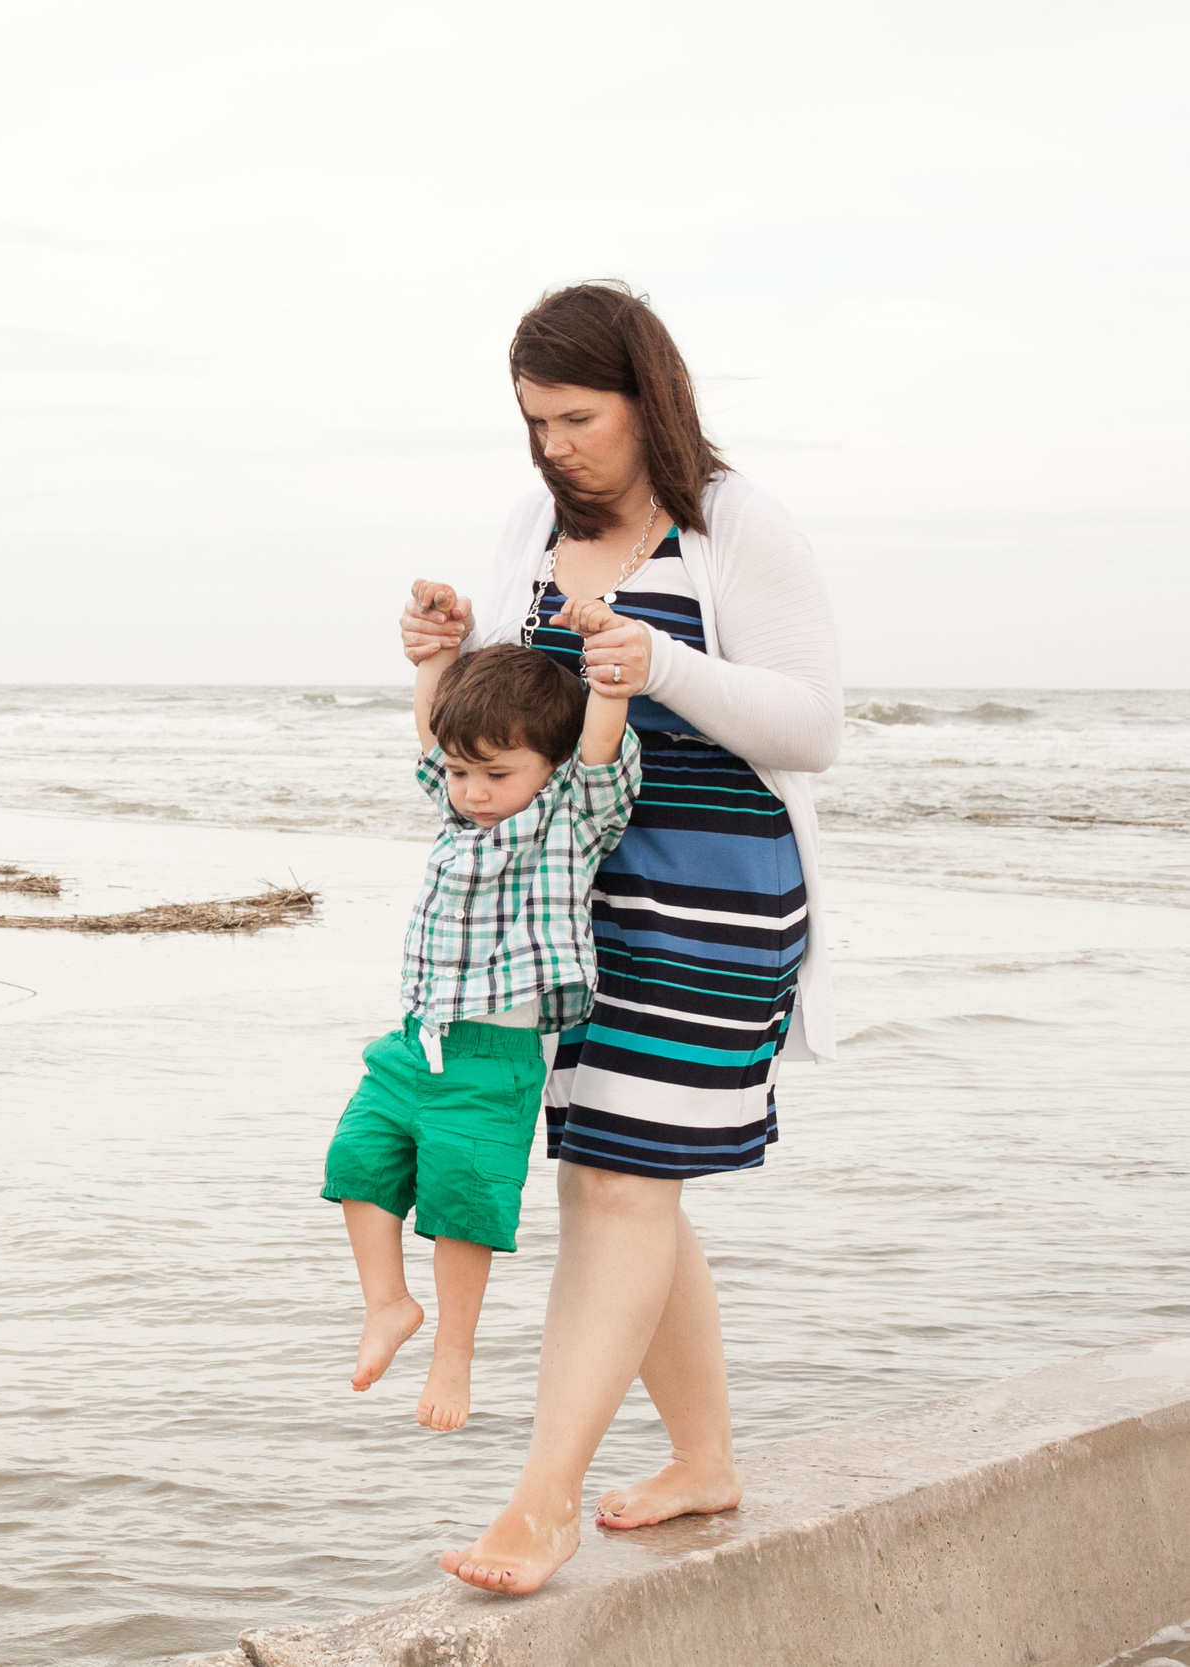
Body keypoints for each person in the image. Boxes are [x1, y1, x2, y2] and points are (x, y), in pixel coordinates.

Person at [403, 282, 843, 1595]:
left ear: (648, 397)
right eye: (537, 422)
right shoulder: (529, 526)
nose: (556, 448)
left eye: (578, 418)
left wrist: (660, 665)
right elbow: (495, 732)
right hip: (573, 903)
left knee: (615, 1182)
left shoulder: (737, 520)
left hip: (715, 897)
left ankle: (543, 1500)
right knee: (623, 1173)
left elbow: (811, 725)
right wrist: (437, 655)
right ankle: (702, 1456)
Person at [324, 609, 640, 1432]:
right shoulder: (459, 808)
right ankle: (388, 1303)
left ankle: (454, 1351)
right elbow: (434, 738)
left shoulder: (569, 815)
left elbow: (601, 749)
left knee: (462, 1201)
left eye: (495, 775)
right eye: (464, 774)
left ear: (549, 767)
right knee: (356, 1155)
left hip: (494, 1058)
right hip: (413, 1040)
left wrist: (609, 674)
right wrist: (435, 657)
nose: (472, 791)